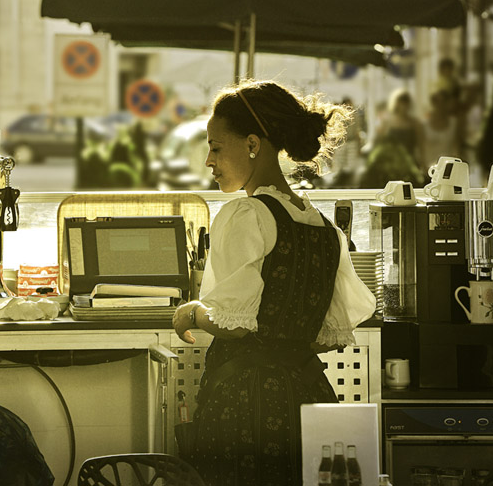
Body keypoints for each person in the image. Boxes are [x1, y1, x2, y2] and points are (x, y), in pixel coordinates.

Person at [172, 80, 375, 485]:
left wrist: (192, 312)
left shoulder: (245, 216)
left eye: (215, 147)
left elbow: (236, 323)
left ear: (251, 143)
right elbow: (327, 336)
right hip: (308, 398)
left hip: (245, 407)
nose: (209, 162)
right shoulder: (324, 227)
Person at [421, 88, 463, 171]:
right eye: (437, 102)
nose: (440, 105)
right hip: (429, 170)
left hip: (448, 170)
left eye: (444, 102)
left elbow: (457, 148)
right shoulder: (424, 125)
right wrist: (424, 167)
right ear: (433, 103)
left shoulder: (454, 123)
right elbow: (421, 148)